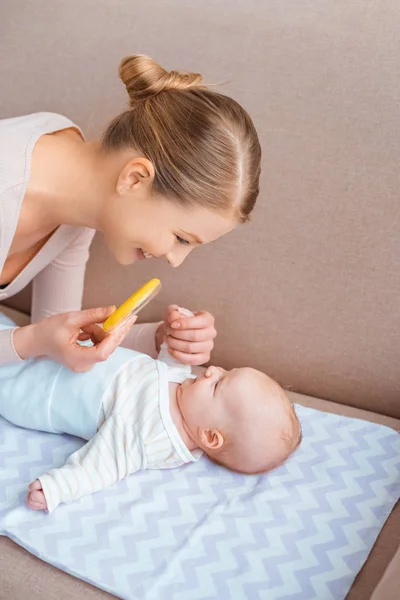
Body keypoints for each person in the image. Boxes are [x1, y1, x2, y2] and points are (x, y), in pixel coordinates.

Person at [0, 55, 261, 372]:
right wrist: (32, 340)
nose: (175, 260)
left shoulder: (80, 205)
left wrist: (161, 338)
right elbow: (36, 341)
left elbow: (57, 339)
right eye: (180, 238)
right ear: (134, 178)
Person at [0, 309, 301, 513]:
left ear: (209, 436)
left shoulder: (153, 436)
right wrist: (177, 331)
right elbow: (170, 364)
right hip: (52, 354)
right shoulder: (186, 390)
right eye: (225, 370)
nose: (213, 370)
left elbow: (103, 466)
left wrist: (58, 487)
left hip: (38, 392)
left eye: (218, 384)